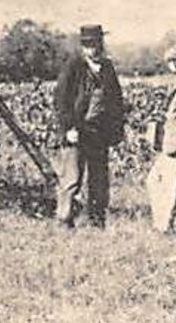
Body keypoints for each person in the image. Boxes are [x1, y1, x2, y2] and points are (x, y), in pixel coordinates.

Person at [54, 24, 127, 228]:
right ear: (82, 47)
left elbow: (116, 101)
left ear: (101, 45)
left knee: (99, 180)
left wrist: (116, 130)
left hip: (99, 133)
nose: (92, 49)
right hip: (77, 131)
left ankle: (97, 221)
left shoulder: (107, 68)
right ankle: (64, 219)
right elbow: (61, 100)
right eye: (88, 45)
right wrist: (68, 128)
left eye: (95, 44)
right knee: (72, 178)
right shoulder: (73, 66)